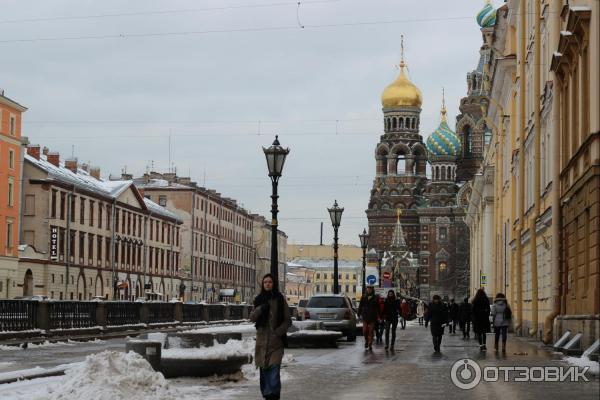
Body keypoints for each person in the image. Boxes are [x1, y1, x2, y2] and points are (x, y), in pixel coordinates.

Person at [250, 274, 291, 400]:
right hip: (262, 343)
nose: (267, 284)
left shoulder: (279, 299)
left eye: (270, 282)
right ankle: (268, 395)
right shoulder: (258, 300)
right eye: (265, 282)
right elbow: (252, 318)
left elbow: (287, 320)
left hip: (276, 343)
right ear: (263, 284)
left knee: (274, 371)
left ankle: (274, 396)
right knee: (264, 371)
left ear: (274, 284)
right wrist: (260, 309)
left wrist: (279, 332)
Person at [358, 285, 380, 350]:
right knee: (364, 331)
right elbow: (360, 306)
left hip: (373, 316)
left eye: (370, 289)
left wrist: (380, 316)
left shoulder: (375, 297)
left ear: (372, 290)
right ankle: (366, 341)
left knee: (371, 331)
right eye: (368, 289)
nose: (369, 290)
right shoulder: (364, 296)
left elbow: (378, 307)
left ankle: (370, 343)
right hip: (365, 316)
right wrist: (359, 314)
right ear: (366, 289)